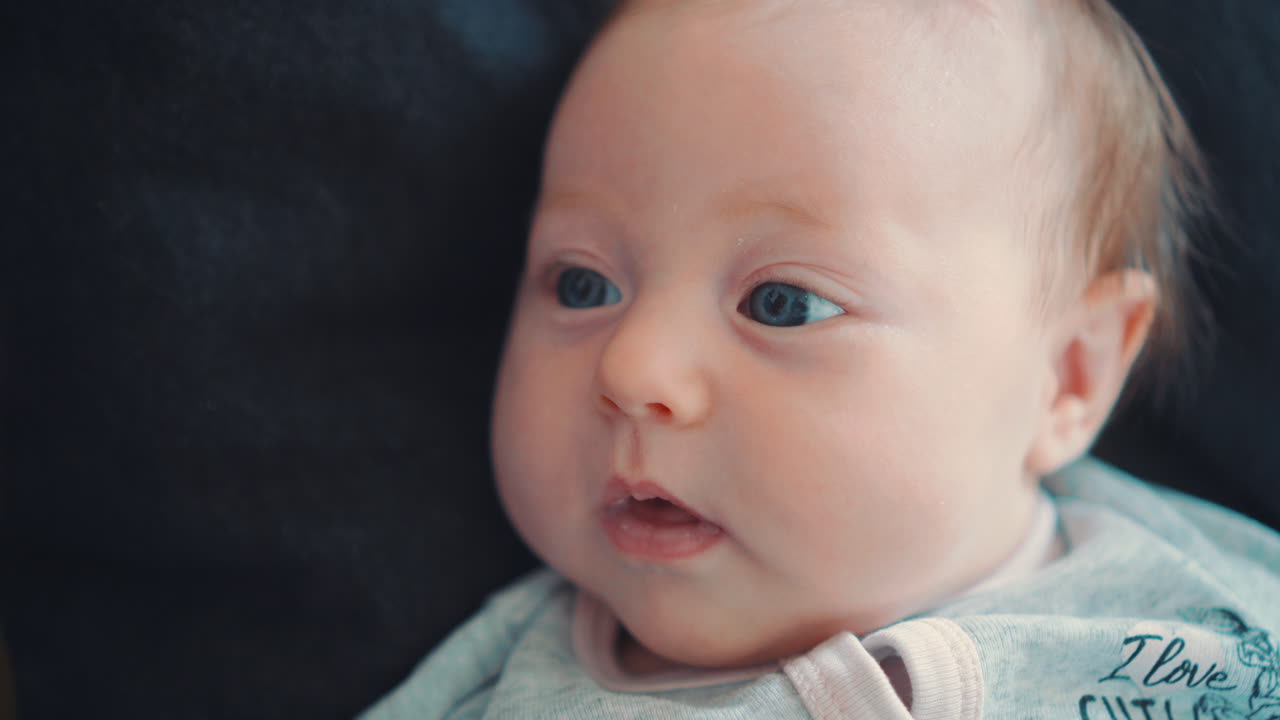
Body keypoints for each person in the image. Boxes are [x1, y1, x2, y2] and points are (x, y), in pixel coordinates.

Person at [362, 0, 1280, 717]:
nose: (632, 370)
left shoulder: (1201, 608)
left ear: (1068, 377)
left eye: (782, 305)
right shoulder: (495, 686)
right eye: (581, 286)